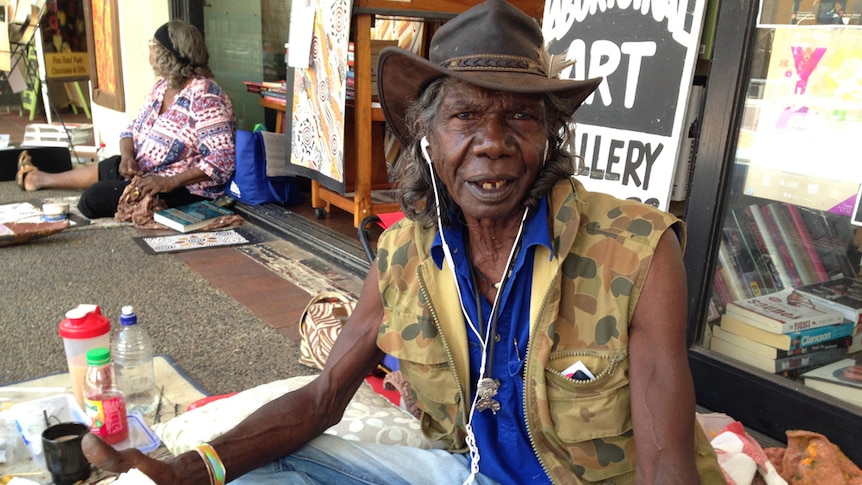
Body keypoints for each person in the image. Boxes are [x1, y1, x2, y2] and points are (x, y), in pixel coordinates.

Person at [82, 1, 724, 483]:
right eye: (466, 115)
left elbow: (667, 461)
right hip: (467, 474)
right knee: (255, 468)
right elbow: (322, 397)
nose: (493, 141)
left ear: (550, 137)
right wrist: (187, 472)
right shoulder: (404, 255)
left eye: (520, 117)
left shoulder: (636, 248)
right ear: (426, 135)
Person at [16, 20, 236, 220]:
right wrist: (127, 157)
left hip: (185, 189)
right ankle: (40, 179)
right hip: (149, 173)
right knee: (112, 164)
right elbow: (130, 131)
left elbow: (222, 160)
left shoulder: (205, 97)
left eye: (153, 44)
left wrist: (168, 182)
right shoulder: (163, 88)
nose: (149, 49)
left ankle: (112, 186)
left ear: (166, 54)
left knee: (92, 200)